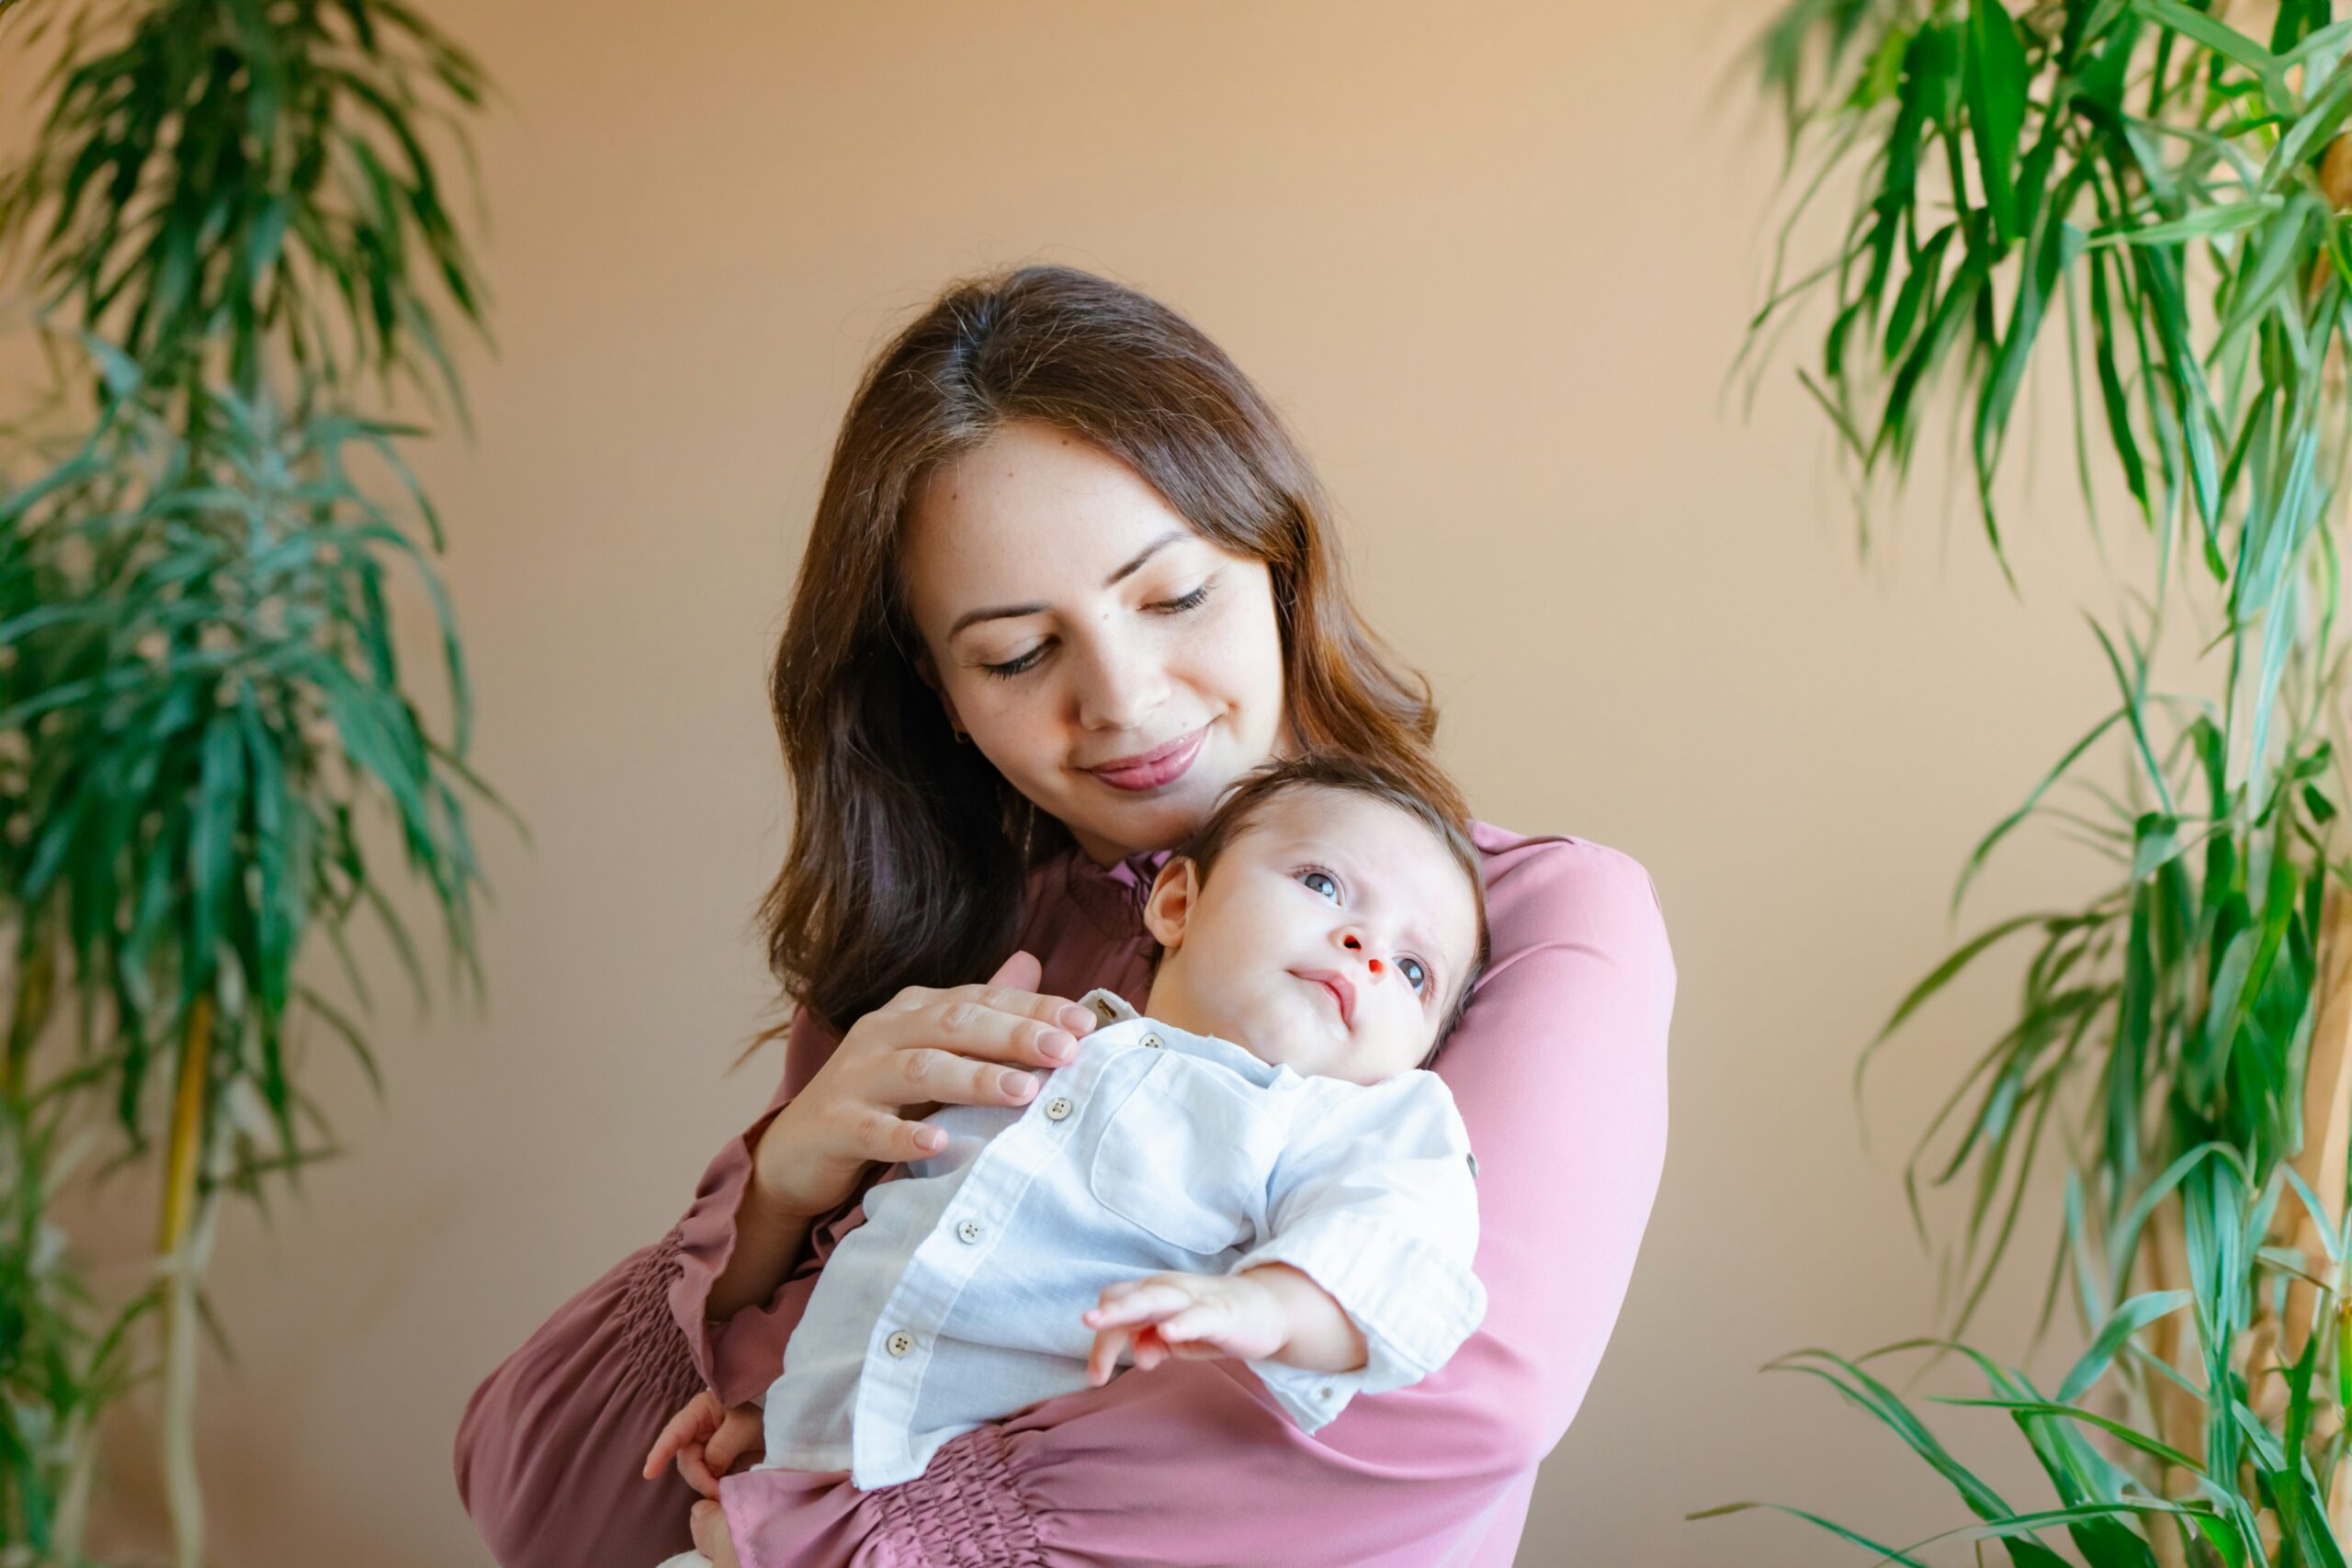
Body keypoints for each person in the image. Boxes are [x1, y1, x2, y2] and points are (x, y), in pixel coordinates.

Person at [453, 264, 1676, 1568]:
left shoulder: (1532, 922)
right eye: (1019, 653)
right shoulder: (932, 963)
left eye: (1174, 595)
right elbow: (549, 1512)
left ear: (1276, 557)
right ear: (937, 690)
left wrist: (834, 1534)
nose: (1126, 699)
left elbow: (1448, 1392)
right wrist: (778, 1184)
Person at [640, 754, 1492, 1565]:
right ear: (1177, 904)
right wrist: (783, 1395)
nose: (1369, 948)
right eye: (1323, 883)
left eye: (1415, 970)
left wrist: (1269, 1304)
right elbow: (896, 1240)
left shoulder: (1345, 1124)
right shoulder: (1036, 1042)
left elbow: (1403, 1243)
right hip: (793, 1493)